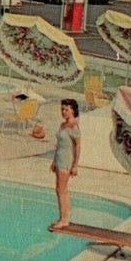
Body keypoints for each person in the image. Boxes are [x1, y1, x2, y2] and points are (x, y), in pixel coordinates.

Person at [49, 98, 81, 230]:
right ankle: (62, 217)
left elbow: (78, 146)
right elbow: (58, 145)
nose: (63, 112)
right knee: (59, 190)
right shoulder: (63, 125)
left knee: (62, 190)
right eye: (62, 109)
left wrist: (75, 165)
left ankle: (64, 219)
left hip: (67, 160)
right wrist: (54, 160)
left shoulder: (74, 126)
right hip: (59, 159)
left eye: (66, 109)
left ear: (72, 110)